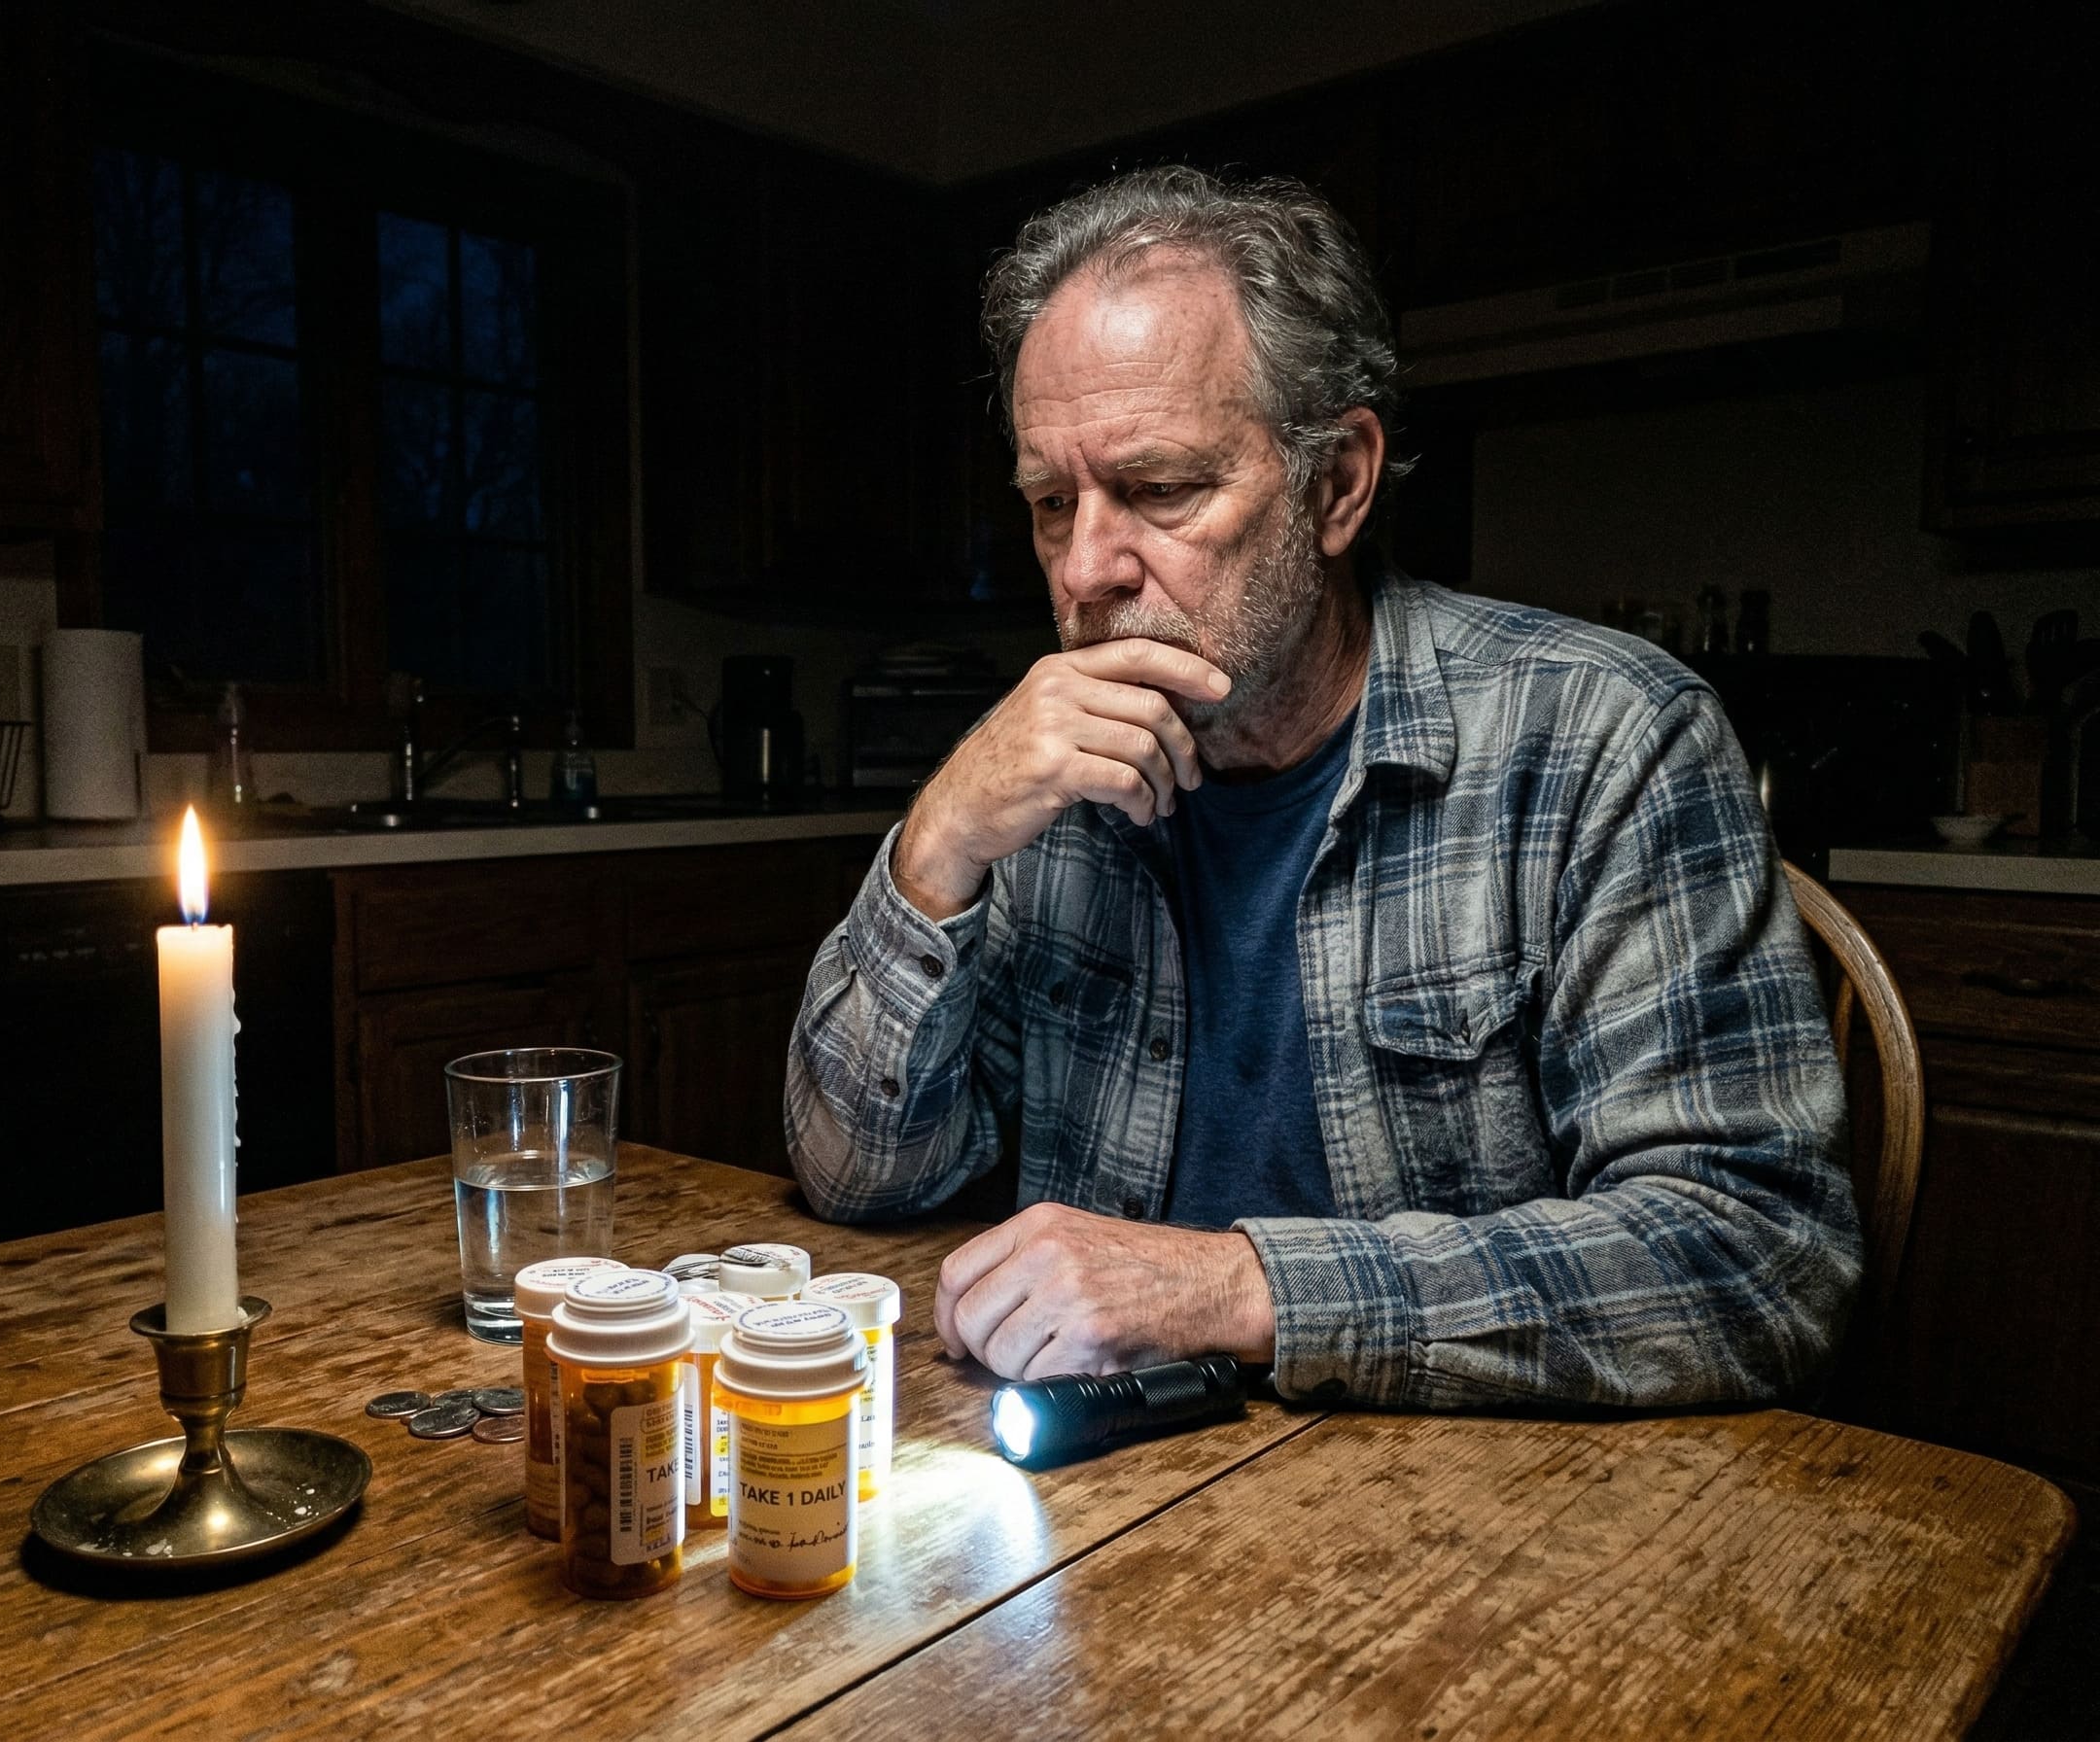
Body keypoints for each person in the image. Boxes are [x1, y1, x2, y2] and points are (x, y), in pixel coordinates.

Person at [785, 166, 1858, 1411]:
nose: (1083, 569)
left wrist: (1237, 1288)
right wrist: (936, 846)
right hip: (1101, 1467)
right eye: (1050, 502)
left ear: (1338, 482)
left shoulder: (1603, 739)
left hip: (1477, 1498)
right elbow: (856, 1177)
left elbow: (1756, 1256)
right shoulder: (1038, 771)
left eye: (1161, 489)